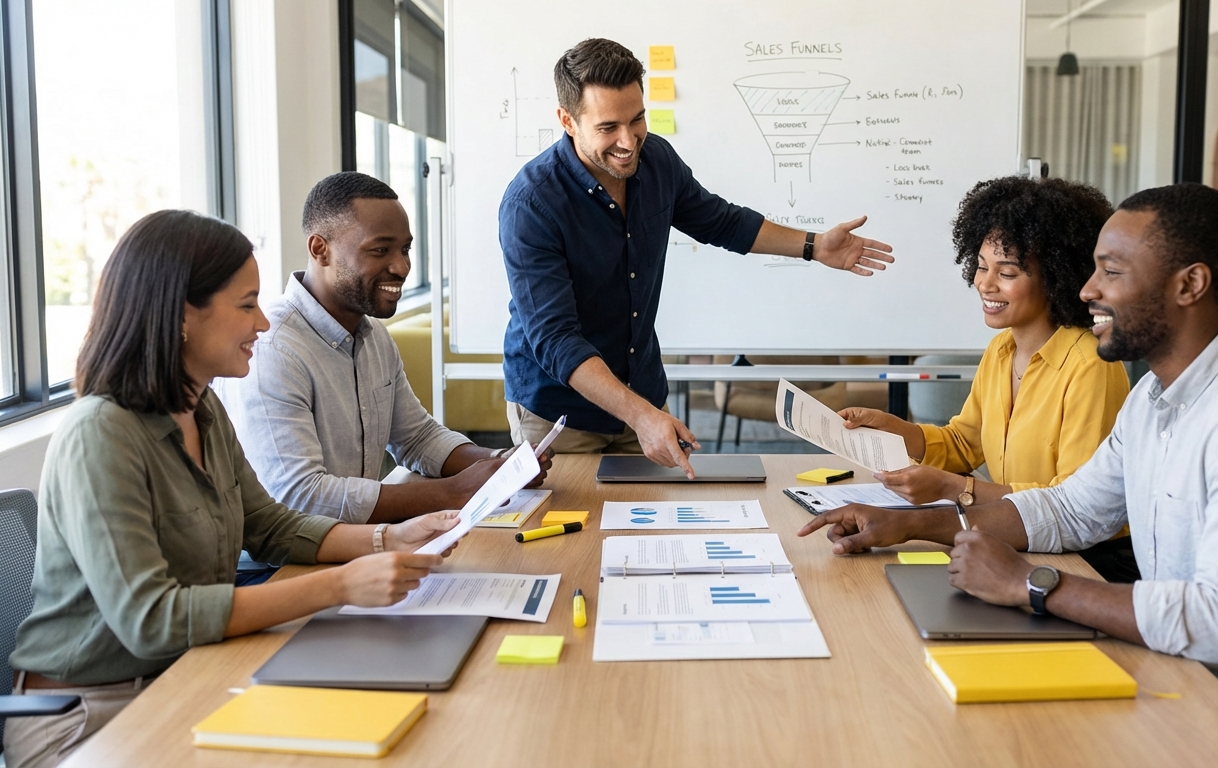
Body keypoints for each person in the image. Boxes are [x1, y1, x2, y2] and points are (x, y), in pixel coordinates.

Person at [799, 184, 1218, 760]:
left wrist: (1031, 584)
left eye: (1111, 272)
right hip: (1190, 673)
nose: (1086, 289)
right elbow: (1071, 508)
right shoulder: (1154, 396)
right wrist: (910, 525)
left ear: (1190, 285)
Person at [5, 210, 461, 768]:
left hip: (187, 676)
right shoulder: (101, 433)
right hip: (89, 717)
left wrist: (388, 539)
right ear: (180, 317)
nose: (263, 325)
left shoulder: (204, 406)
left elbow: (267, 526)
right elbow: (154, 620)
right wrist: (339, 585)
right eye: (247, 305)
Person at [500, 38, 895, 478]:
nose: (629, 142)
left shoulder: (657, 162)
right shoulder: (531, 204)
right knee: (570, 539)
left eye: (637, 119)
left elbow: (722, 222)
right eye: (608, 127)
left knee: (650, 531)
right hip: (559, 413)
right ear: (567, 121)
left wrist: (814, 245)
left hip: (643, 395)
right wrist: (643, 416)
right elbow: (556, 339)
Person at [218, 173, 549, 531]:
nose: (402, 267)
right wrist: (451, 492)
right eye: (380, 250)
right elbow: (300, 496)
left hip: (351, 546)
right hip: (280, 567)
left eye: (405, 249)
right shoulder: (274, 350)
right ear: (320, 249)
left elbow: (417, 437)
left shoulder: (373, 335)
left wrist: (498, 465)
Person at [839, 176, 1129, 508]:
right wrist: (896, 430)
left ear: (1055, 277)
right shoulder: (1002, 350)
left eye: (1006, 274)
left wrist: (957, 489)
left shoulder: (1090, 365)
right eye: (980, 267)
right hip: (1016, 535)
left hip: (1083, 556)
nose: (984, 284)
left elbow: (1076, 504)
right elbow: (964, 444)